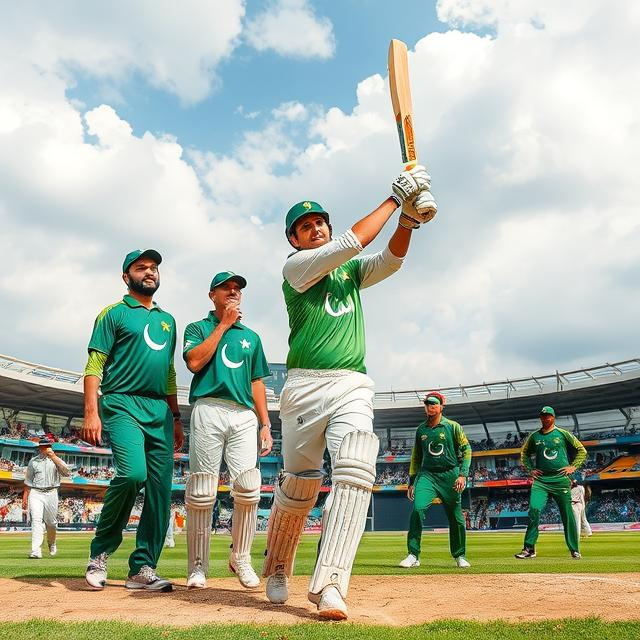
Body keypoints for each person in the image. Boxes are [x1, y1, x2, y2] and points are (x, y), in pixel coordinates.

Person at [262, 165, 436, 620]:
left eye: (319, 221)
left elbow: (390, 261)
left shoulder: (350, 274)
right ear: (294, 241)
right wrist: (395, 198)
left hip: (351, 384)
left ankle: (332, 583)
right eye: (304, 226)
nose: (315, 228)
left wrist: (407, 223)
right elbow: (352, 244)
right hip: (302, 388)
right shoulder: (296, 268)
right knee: (300, 487)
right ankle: (278, 564)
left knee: (356, 469)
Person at [82, 249, 183, 592]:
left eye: (154, 267)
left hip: (160, 411)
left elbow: (169, 372)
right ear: (127, 277)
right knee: (132, 474)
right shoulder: (114, 314)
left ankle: (142, 569)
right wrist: (91, 411)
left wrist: (177, 417)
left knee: (160, 490)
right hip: (122, 402)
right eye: (142, 268)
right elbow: (95, 364)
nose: (150, 272)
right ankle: (99, 554)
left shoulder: (168, 320)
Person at [182, 271, 272, 589]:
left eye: (238, 289)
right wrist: (223, 325)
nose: (234, 292)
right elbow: (194, 362)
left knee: (248, 488)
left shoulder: (252, 337)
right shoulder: (198, 328)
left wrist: (266, 424)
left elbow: (257, 381)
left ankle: (241, 558)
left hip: (244, 414)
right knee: (202, 489)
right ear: (213, 296)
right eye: (227, 288)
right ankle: (197, 566)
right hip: (208, 406)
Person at [399, 392, 472, 569]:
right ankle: (413, 555)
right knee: (417, 509)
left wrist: (462, 474)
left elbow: (467, 450)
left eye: (433, 403)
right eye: (427, 404)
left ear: (441, 407)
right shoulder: (421, 430)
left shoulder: (453, 427)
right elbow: (416, 457)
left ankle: (459, 555)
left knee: (456, 517)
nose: (430, 406)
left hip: (450, 475)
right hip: (427, 475)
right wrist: (412, 482)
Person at [515, 406, 586, 559]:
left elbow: (582, 450)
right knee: (534, 510)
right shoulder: (534, 437)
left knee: (567, 514)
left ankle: (574, 549)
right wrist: (530, 469)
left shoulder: (562, 433)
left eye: (548, 416)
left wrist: (573, 467)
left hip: (560, 480)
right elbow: (524, 453)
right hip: (541, 481)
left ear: (553, 417)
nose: (545, 418)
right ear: (540, 418)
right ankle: (529, 549)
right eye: (543, 416)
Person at [22, 439, 70, 558]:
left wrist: (53, 457)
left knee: (51, 523)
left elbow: (67, 472)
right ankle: (35, 551)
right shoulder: (33, 461)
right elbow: (28, 481)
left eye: (48, 446)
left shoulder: (56, 460)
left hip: (52, 492)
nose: (46, 448)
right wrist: (25, 497)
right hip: (36, 492)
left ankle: (52, 543)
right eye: (43, 446)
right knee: (36, 521)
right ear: (39, 448)